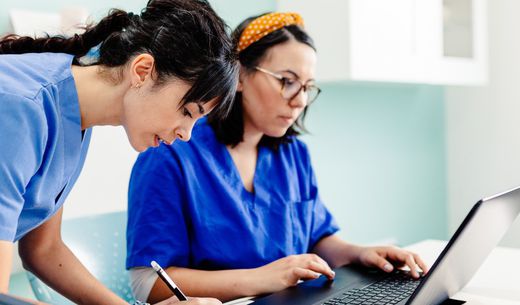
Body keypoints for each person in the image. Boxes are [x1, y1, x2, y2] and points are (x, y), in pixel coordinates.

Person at [126, 12, 430, 303]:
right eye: (286, 80)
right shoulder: (171, 151)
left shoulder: (293, 154)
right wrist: (261, 278)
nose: (299, 101)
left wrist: (359, 253)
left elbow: (318, 239)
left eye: (307, 87)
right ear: (240, 75)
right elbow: (149, 284)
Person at [0, 0, 238, 304]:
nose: (186, 134)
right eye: (188, 111)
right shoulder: (22, 109)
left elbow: (42, 249)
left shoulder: (72, 115)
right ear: (142, 71)